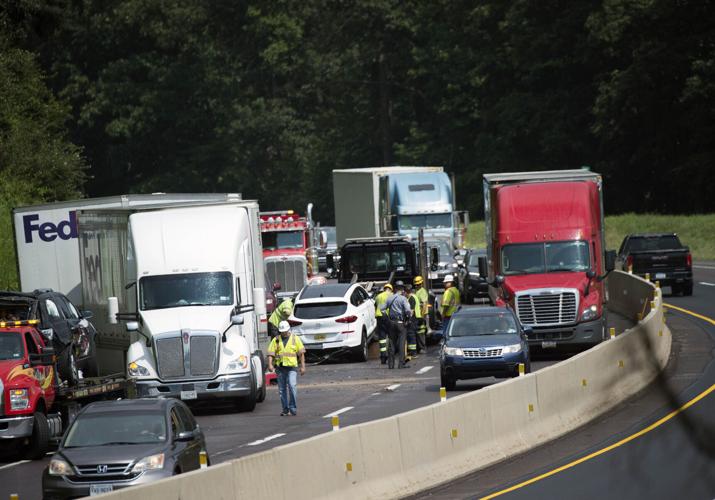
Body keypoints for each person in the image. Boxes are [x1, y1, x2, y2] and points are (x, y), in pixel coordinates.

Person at [267, 320, 306, 416]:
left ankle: (292, 407)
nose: (284, 332)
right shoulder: (276, 340)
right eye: (282, 331)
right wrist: (270, 365)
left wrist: (303, 367)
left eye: (285, 331)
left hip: (292, 368)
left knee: (292, 386)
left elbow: (301, 354)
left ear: (288, 329)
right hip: (280, 368)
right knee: (282, 390)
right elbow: (271, 354)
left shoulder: (295, 339)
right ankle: (285, 409)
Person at [381, 281, 411, 369]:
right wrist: (408, 319)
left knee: (391, 343)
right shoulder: (403, 299)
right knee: (401, 344)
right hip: (401, 323)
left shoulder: (390, 298)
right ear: (402, 289)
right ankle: (401, 364)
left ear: (394, 289)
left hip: (391, 323)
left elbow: (381, 309)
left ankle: (391, 364)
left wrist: (386, 317)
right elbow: (408, 311)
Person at [374, 283, 393, 364]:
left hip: (379, 318)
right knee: (391, 336)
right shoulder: (391, 296)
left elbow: (375, 305)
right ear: (390, 289)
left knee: (382, 338)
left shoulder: (378, 296)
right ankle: (390, 355)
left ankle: (383, 357)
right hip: (388, 317)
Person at [412, 276, 429, 353]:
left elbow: (424, 304)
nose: (417, 286)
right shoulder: (417, 291)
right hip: (418, 315)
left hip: (421, 315)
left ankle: (422, 347)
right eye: (416, 284)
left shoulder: (422, 291)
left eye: (418, 284)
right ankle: (420, 347)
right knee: (418, 331)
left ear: (421, 284)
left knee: (421, 332)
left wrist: (422, 316)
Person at [405, 285, 419, 359]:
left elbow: (412, 311)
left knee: (411, 335)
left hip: (413, 319)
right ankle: (412, 351)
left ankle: (414, 352)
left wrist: (409, 319)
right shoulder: (411, 297)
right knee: (411, 335)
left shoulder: (411, 298)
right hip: (413, 319)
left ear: (407, 292)